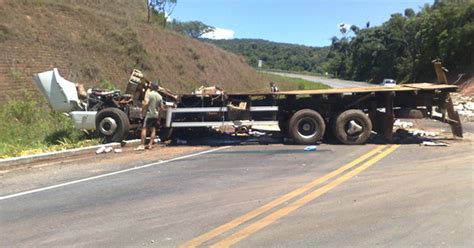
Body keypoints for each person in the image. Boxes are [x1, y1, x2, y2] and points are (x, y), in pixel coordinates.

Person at [136, 82, 163, 151]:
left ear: (151, 87)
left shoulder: (149, 94)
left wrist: (142, 110)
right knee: (153, 129)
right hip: (156, 115)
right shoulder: (160, 97)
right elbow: (161, 108)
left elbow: (146, 103)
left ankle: (142, 144)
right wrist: (159, 117)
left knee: (144, 128)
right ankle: (150, 144)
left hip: (149, 114)